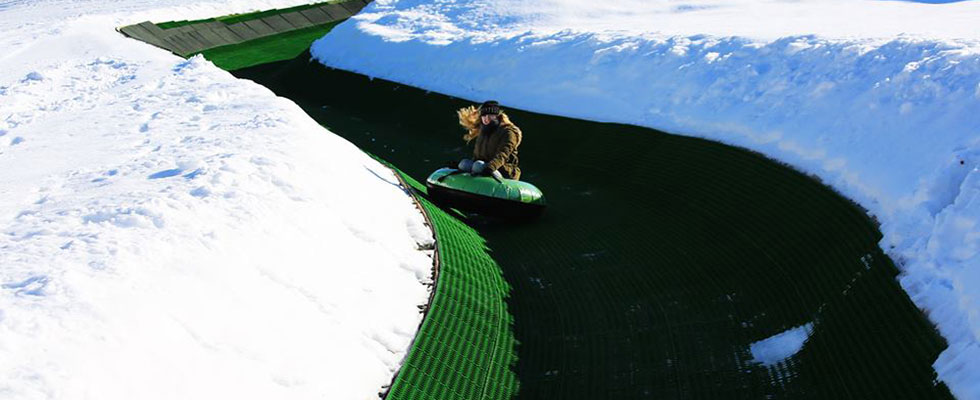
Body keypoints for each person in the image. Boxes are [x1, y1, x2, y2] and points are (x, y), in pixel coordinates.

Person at [455, 100, 523, 180]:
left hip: (504, 170)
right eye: (484, 116)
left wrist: (490, 167)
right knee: (465, 164)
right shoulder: (483, 131)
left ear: (496, 116)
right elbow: (478, 157)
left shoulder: (508, 132)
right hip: (483, 167)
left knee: (478, 166)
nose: (486, 119)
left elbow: (503, 154)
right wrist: (458, 166)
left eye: (490, 115)